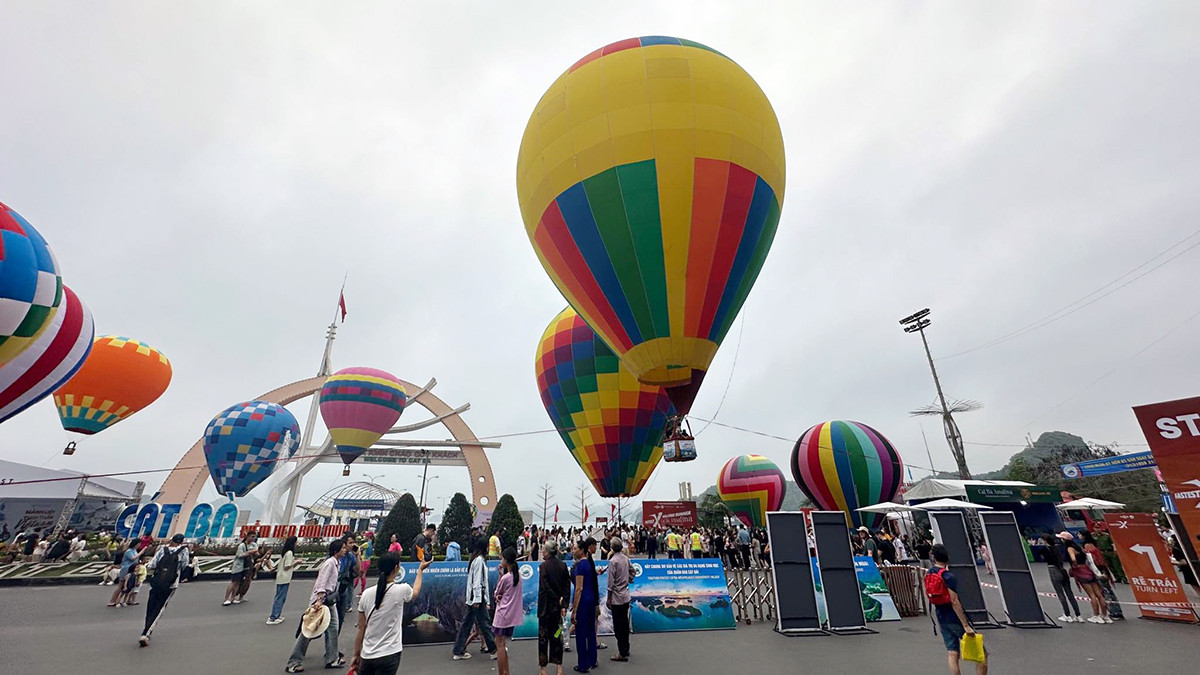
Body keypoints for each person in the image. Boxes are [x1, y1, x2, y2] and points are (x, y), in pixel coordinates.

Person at [350, 553, 430, 675]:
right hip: (389, 654)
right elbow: (415, 592)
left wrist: (356, 654)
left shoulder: (366, 594)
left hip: (367, 655)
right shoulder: (401, 590)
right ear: (396, 568)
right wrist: (420, 570)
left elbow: (361, 628)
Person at [286, 539, 348, 672]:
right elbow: (322, 581)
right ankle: (293, 662)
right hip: (321, 601)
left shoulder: (337, 562)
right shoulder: (330, 563)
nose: (345, 550)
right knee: (309, 631)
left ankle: (332, 658)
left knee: (333, 629)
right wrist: (319, 600)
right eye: (343, 548)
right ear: (336, 550)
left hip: (329, 601)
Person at [928, 544, 987, 675]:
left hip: (941, 616)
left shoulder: (930, 573)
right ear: (947, 557)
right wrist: (965, 625)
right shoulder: (948, 576)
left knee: (953, 653)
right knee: (981, 653)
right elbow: (954, 601)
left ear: (933, 557)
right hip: (954, 617)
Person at [138, 533, 190, 647]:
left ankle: (146, 627)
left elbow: (152, 564)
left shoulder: (163, 549)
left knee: (150, 607)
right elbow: (184, 565)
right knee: (160, 608)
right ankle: (146, 633)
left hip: (156, 582)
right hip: (170, 584)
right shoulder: (183, 551)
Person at [451, 539, 498, 660]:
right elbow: (478, 581)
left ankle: (458, 650)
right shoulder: (479, 561)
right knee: (485, 624)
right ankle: (494, 650)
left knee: (468, 624)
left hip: (474, 598)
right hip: (478, 598)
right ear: (484, 547)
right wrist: (479, 599)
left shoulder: (475, 560)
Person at [1061, 531, 1109, 623]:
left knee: (1092, 595)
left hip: (1080, 571)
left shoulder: (1070, 548)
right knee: (1099, 594)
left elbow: (1073, 559)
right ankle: (1105, 615)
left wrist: (1074, 565)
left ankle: (1096, 615)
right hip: (1088, 570)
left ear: (1064, 540)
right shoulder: (1079, 547)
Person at [538, 540, 570, 675]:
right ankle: (559, 668)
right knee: (557, 636)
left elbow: (545, 586)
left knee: (543, 637)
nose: (542, 552)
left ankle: (543, 669)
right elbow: (567, 587)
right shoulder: (563, 566)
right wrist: (563, 604)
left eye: (544, 550)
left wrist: (556, 598)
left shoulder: (543, 567)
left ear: (547, 551)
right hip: (557, 610)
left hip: (545, 608)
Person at [571, 538, 600, 673]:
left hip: (583, 601)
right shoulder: (589, 564)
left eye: (575, 548)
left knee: (581, 634)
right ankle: (592, 659)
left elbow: (579, 588)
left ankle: (583, 664)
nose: (573, 550)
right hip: (591, 599)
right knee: (591, 631)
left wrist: (574, 610)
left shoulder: (580, 566)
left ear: (582, 550)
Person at [493, 547, 523, 675]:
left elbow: (497, 592)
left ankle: (502, 672)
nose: (501, 559)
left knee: (499, 645)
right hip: (511, 615)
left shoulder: (506, 578)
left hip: (502, 615)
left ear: (507, 561)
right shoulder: (518, 576)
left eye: (502, 558)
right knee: (503, 644)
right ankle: (507, 672)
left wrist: (500, 576)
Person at [1080, 532, 1122, 620]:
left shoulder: (1088, 546)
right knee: (1106, 591)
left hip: (1098, 570)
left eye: (1080, 534)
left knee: (1104, 591)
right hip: (1102, 569)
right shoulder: (1093, 544)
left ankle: (1114, 612)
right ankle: (1114, 611)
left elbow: (1092, 560)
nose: (1078, 536)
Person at [1042, 534, 1082, 622]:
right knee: (1069, 593)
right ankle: (1078, 614)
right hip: (1062, 570)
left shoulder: (1045, 549)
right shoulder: (1058, 548)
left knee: (1060, 593)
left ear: (1045, 541)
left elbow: (1044, 558)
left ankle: (1067, 614)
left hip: (1053, 570)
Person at [606, 537, 631, 662]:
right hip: (625, 595)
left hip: (616, 597)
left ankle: (622, 652)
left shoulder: (613, 561)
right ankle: (626, 648)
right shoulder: (626, 559)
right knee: (625, 624)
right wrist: (629, 579)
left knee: (618, 626)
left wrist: (608, 598)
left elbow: (610, 583)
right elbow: (632, 571)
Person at [269, 536, 299, 625]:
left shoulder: (285, 552)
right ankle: (274, 616)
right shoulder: (289, 553)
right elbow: (287, 566)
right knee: (280, 597)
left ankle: (277, 615)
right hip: (284, 577)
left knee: (280, 597)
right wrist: (296, 562)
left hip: (282, 577)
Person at [225, 531, 258, 606]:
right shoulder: (242, 545)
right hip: (238, 566)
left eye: (254, 537)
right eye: (252, 537)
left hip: (247, 566)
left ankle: (233, 598)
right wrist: (249, 552)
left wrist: (251, 553)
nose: (253, 538)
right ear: (248, 537)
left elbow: (256, 552)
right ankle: (226, 598)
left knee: (238, 582)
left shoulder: (254, 545)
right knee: (233, 582)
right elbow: (239, 555)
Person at [338, 534, 359, 633]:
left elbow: (358, 570)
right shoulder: (336, 555)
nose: (353, 545)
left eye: (354, 542)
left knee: (339, 618)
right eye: (350, 543)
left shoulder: (351, 556)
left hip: (344, 583)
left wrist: (357, 555)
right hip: (335, 586)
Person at [108, 542, 140, 607]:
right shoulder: (129, 551)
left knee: (130, 585)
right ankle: (113, 601)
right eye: (138, 543)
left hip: (132, 569)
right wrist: (142, 552)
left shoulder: (134, 550)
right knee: (121, 585)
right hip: (126, 569)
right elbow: (133, 558)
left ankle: (126, 600)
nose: (139, 545)